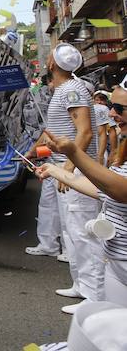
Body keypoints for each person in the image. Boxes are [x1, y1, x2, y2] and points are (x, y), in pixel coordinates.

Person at [27, 43, 102, 314]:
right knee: (71, 231)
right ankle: (81, 285)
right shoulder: (63, 90)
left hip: (78, 170)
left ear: (51, 65)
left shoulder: (71, 90)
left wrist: (69, 168)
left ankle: (94, 296)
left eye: (49, 56)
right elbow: (57, 132)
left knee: (83, 232)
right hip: (63, 167)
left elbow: (84, 133)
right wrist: (35, 153)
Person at [34, 89, 127, 308]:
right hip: (116, 262)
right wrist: (55, 171)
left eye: (120, 109)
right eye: (112, 106)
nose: (111, 114)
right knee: (114, 334)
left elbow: (121, 191)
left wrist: (74, 153)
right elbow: (103, 189)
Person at [94, 90, 117, 165]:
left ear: (106, 101)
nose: (99, 102)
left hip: (100, 150)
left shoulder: (104, 110)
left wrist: (113, 151)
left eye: (102, 100)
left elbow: (111, 131)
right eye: (97, 100)